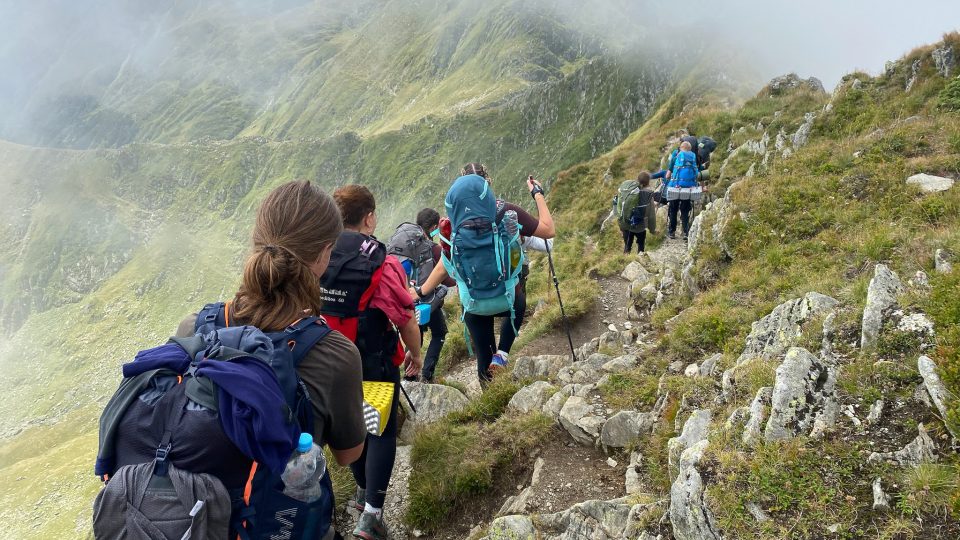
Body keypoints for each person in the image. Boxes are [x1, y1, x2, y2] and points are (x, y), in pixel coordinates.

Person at [174, 180, 367, 540]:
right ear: (325, 254)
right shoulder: (336, 354)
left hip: (191, 522)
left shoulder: (194, 328)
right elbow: (348, 455)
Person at [319, 184, 422, 540]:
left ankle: (362, 495)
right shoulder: (382, 260)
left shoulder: (319, 254)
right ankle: (372, 518)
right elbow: (406, 318)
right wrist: (416, 354)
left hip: (330, 362)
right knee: (380, 431)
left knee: (352, 426)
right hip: (374, 361)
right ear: (369, 217)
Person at [415, 163, 555, 384]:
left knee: (483, 356)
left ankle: (491, 404)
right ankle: (504, 354)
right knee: (517, 301)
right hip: (508, 298)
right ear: (487, 183)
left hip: (473, 303)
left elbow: (443, 267)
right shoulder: (507, 211)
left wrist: (419, 292)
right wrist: (537, 193)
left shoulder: (451, 224)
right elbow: (549, 231)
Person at [414, 207, 456, 383]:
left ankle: (409, 376)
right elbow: (449, 280)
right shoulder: (434, 249)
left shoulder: (409, 246)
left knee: (416, 337)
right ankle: (426, 374)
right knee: (439, 333)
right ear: (432, 228)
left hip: (409, 298)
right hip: (429, 301)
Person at [617, 171, 657, 253]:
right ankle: (639, 257)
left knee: (627, 247)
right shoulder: (648, 195)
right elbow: (651, 216)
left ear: (637, 180)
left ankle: (626, 257)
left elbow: (620, 207)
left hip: (626, 224)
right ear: (648, 182)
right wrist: (652, 230)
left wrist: (621, 226)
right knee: (641, 247)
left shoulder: (628, 192)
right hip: (639, 227)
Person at [666, 140, 699, 240]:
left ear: (681, 147)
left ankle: (672, 232)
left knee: (673, 209)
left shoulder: (676, 155)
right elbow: (697, 173)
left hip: (675, 186)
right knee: (685, 210)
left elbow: (668, 174)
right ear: (690, 149)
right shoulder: (693, 157)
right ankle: (685, 232)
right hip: (688, 188)